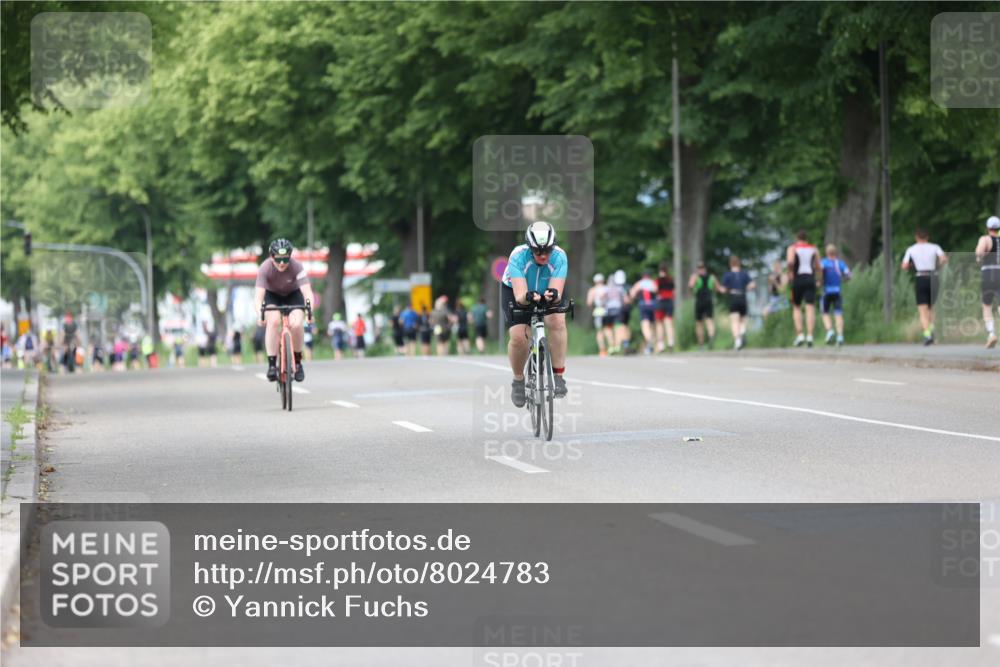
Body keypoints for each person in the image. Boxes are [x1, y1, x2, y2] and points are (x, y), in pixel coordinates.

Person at [501, 221, 569, 406]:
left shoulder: (560, 257)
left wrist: (552, 296)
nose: (543, 255)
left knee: (557, 321)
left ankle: (558, 375)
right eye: (538, 251)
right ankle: (518, 380)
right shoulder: (518, 256)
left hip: (546, 287)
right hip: (518, 290)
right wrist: (529, 296)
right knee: (518, 337)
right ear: (529, 247)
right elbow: (520, 296)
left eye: (547, 250)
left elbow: (556, 293)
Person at [254, 238, 315, 381]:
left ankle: (298, 362)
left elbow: (307, 293)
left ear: (290, 257)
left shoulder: (297, 266)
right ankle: (271, 365)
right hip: (272, 296)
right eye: (278, 259)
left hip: (293, 295)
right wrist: (260, 315)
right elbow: (258, 297)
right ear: (271, 257)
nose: (282, 263)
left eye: (285, 259)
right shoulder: (264, 268)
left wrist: (310, 311)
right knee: (273, 321)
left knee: (296, 324)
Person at [901, 229, 947, 346]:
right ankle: (931, 329)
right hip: (933, 276)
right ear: (927, 237)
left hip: (920, 277)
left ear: (916, 237)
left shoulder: (911, 249)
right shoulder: (935, 247)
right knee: (932, 307)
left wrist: (912, 265)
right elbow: (943, 258)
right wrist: (938, 266)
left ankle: (927, 334)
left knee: (922, 310)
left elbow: (904, 265)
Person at [786, 230, 821, 347]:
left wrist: (790, 273)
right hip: (810, 279)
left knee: (796, 307)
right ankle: (810, 336)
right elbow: (818, 266)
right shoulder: (814, 248)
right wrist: (819, 280)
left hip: (798, 279)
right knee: (810, 307)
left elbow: (790, 262)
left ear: (797, 238)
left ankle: (800, 334)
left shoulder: (793, 248)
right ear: (806, 238)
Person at [975, 215, 1000, 349]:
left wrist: (980, 257)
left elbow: (979, 252)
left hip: (989, 273)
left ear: (988, 228)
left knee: (987, 305)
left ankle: (991, 334)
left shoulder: (985, 239)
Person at [720, 256, 755, 350]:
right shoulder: (744, 274)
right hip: (743, 297)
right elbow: (752, 284)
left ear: (730, 264)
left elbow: (723, 290)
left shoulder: (728, 275)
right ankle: (743, 332)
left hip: (734, 297)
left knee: (735, 321)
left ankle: (737, 340)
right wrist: (747, 287)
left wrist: (724, 290)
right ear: (739, 263)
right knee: (743, 319)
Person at [820, 244, 852, 346]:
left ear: (827, 253)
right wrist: (843, 279)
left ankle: (829, 330)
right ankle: (840, 336)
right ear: (836, 252)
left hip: (826, 291)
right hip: (837, 291)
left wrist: (819, 282)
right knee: (838, 314)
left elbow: (819, 273)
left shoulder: (823, 262)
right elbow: (849, 275)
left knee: (825, 313)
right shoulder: (840, 263)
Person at [688, 262, 719, 349]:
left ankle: (701, 344)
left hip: (699, 301)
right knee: (709, 321)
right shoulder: (712, 277)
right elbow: (717, 288)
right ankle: (711, 336)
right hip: (709, 300)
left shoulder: (695, 276)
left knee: (699, 323)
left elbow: (690, 286)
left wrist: (693, 283)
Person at [629, 269, 659, 355]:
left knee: (645, 325)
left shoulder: (640, 283)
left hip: (643, 305)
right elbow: (657, 291)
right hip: (653, 305)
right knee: (653, 325)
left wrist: (635, 298)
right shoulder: (653, 283)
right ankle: (655, 343)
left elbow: (632, 293)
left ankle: (650, 341)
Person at [586, 273, 610, 357]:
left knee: (599, 332)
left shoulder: (593, 290)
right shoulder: (607, 288)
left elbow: (589, 302)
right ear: (603, 280)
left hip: (598, 311)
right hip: (608, 311)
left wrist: (592, 308)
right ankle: (611, 347)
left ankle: (602, 350)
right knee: (608, 329)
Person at [602, 273, 627, 354]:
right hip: (618, 309)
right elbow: (624, 299)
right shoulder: (620, 289)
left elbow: (602, 298)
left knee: (608, 328)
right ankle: (617, 345)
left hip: (609, 310)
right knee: (618, 327)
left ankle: (611, 346)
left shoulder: (606, 289)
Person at [655, 263, 676, 353]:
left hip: (661, 302)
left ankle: (661, 346)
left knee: (659, 324)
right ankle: (671, 343)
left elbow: (655, 290)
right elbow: (674, 291)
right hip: (669, 301)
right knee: (669, 323)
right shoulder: (671, 280)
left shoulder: (657, 280)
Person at [613, 270, 633, 353]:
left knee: (620, 326)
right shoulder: (627, 286)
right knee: (626, 325)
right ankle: (626, 343)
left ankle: (621, 345)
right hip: (627, 308)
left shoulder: (614, 287)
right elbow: (630, 298)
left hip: (620, 308)